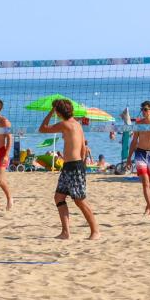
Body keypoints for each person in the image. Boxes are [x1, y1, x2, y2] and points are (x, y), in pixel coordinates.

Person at [39, 99, 100, 240]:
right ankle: (65, 232)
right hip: (70, 166)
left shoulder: (65, 124)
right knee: (59, 197)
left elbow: (42, 128)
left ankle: (95, 231)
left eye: (56, 111)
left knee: (80, 200)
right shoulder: (77, 124)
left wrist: (51, 111)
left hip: (74, 167)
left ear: (59, 112)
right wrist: (83, 164)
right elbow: (84, 148)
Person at [126, 101, 150, 216]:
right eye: (142, 109)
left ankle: (148, 207)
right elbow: (134, 142)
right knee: (145, 182)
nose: (143, 111)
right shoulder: (139, 124)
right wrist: (128, 158)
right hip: (140, 153)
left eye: (145, 109)